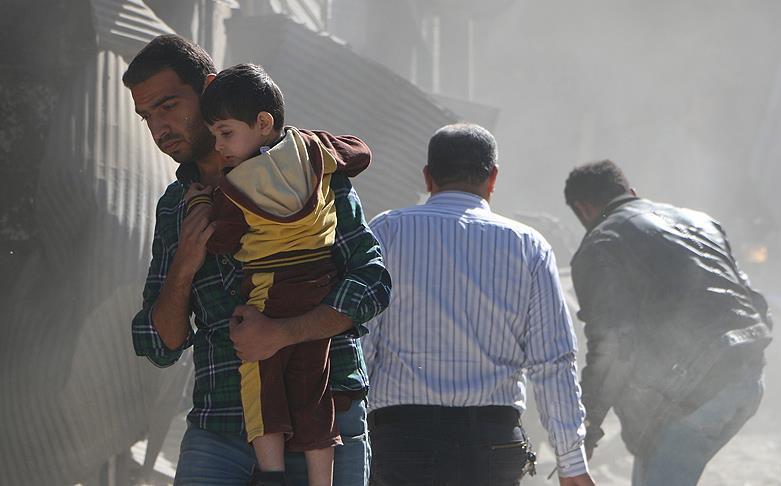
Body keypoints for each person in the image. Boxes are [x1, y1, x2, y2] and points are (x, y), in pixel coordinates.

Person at [126, 34, 391, 486]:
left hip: (324, 417)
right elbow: (160, 345)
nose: (158, 128)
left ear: (210, 89)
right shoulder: (176, 206)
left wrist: (283, 333)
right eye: (147, 116)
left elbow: (372, 281)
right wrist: (184, 266)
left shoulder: (306, 170)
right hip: (222, 424)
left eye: (168, 106)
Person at [365, 123, 595, 486]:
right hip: (492, 446)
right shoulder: (529, 246)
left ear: (428, 177)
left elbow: (361, 343)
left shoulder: (386, 232)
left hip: (403, 442)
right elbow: (553, 362)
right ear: (493, 178)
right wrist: (571, 462)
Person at [182, 62, 372, 485]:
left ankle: (272, 474)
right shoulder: (315, 153)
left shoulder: (235, 187)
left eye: (225, 133)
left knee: (259, 377)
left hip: (269, 291)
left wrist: (199, 205)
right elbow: (359, 153)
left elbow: (221, 240)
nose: (219, 146)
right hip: (318, 287)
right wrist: (320, 143)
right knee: (314, 389)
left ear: (263, 123)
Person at [563, 160, 772, 486]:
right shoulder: (701, 221)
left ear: (583, 209)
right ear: (631, 192)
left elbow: (613, 346)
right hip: (749, 378)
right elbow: (756, 303)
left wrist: (585, 429)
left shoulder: (601, 245)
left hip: (696, 394)